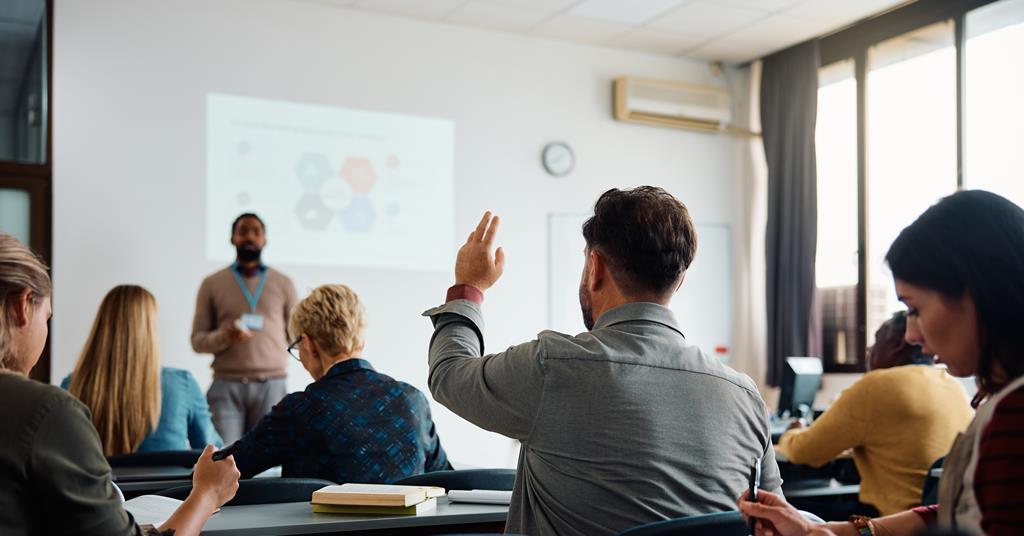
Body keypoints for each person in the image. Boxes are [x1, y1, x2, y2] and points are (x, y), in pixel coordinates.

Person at [423, 187, 783, 536]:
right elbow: (776, 519)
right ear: (679, 281)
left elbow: (449, 373)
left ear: (595, 267)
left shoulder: (555, 368)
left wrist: (469, 286)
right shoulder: (746, 397)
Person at [738, 190, 1024, 536]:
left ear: (975, 291)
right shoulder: (982, 394)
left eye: (915, 309)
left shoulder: (1014, 413)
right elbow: (960, 514)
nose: (911, 336)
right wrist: (826, 532)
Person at [0, 233, 239, 536]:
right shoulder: (48, 411)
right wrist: (206, 494)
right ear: (23, 305)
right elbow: (212, 448)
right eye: (47, 317)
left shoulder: (71, 385)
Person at [226, 284, 451, 483]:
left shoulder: (300, 409)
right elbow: (446, 478)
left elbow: (228, 468)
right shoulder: (413, 400)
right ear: (361, 340)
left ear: (308, 344)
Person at [776, 311, 973, 518]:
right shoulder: (953, 385)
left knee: (785, 506)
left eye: (877, 339)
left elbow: (805, 452)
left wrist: (791, 433)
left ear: (898, 343)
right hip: (939, 519)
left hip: (891, 521)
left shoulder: (877, 385)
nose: (870, 349)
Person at [62, 285, 222, 456]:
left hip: (99, 484)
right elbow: (214, 453)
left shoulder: (72, 386)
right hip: (168, 484)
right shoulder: (182, 385)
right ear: (149, 329)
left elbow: (61, 453)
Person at [191, 213, 298, 444]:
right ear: (232, 238)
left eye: (256, 231)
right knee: (224, 460)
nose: (249, 236)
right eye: (243, 231)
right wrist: (224, 336)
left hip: (272, 386)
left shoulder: (284, 283)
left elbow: (297, 337)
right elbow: (197, 341)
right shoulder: (212, 283)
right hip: (226, 387)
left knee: (270, 465)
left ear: (265, 239)